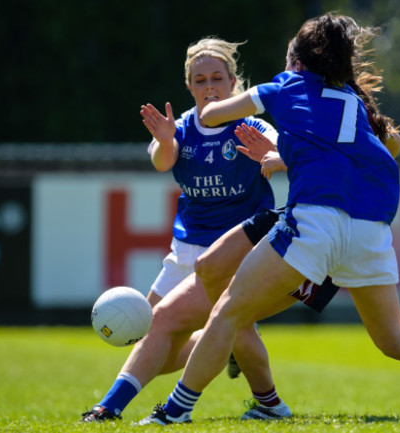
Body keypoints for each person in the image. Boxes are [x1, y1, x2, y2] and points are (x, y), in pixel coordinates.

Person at [141, 13, 400, 425]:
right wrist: (289, 155)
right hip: (369, 228)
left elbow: (210, 117)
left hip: (316, 222)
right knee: (395, 339)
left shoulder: (285, 84)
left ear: (297, 61)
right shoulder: (352, 98)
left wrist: (242, 113)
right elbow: (394, 146)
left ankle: (174, 412)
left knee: (227, 310)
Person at [81, 36, 288, 422]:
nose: (209, 87)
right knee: (158, 334)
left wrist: (273, 157)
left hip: (236, 250)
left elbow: (284, 154)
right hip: (186, 249)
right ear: (189, 86)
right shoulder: (179, 128)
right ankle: (259, 393)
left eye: (217, 78)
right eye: (200, 80)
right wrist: (163, 141)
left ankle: (109, 407)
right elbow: (164, 161)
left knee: (190, 325)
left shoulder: (251, 126)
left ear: (232, 83)